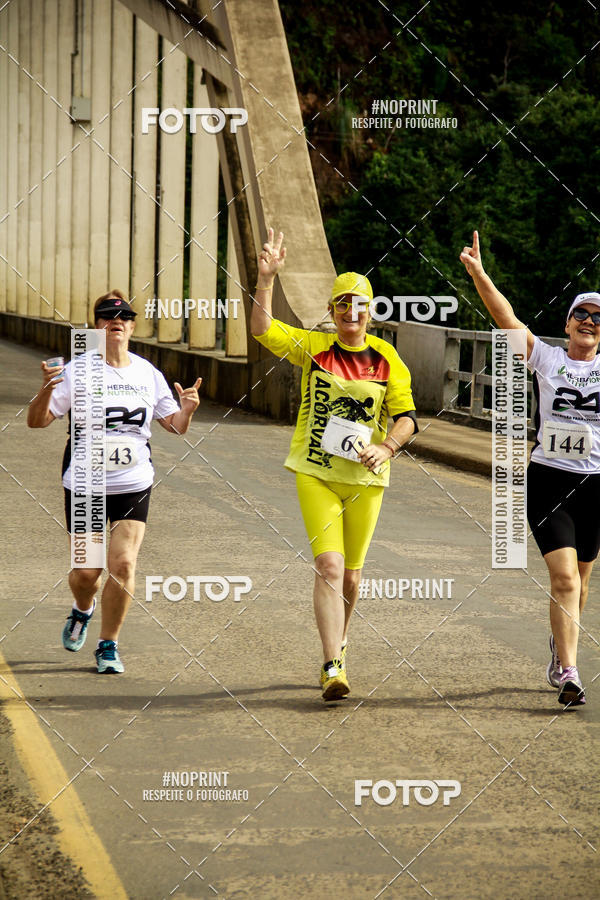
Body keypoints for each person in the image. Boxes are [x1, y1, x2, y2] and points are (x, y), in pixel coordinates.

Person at [251, 229, 418, 701]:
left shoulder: (387, 359)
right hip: (316, 473)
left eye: (359, 304)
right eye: (342, 303)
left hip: (366, 479)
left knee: (351, 576)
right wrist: (266, 280)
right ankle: (331, 664)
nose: (351, 311)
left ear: (370, 311)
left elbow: (406, 418)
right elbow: (262, 329)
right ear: (332, 310)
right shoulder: (314, 349)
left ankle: (339, 645)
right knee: (328, 565)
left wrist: (386, 448)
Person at [27, 290, 202, 674]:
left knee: (122, 564)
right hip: (86, 482)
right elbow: (37, 421)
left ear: (133, 325)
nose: (116, 321)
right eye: (107, 316)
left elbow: (174, 427)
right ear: (96, 326)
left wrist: (186, 410)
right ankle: (82, 607)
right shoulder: (76, 371)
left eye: (124, 316)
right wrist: (46, 388)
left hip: (133, 481)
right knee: (88, 573)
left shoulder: (147, 372)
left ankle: (108, 645)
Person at [460, 230, 600, 707]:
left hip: (596, 486)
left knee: (581, 581)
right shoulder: (548, 358)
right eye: (581, 313)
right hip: (549, 479)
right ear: (567, 322)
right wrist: (480, 275)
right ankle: (569, 671)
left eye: (599, 318)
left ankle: (560, 648)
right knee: (563, 579)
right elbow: (505, 318)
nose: (589, 321)